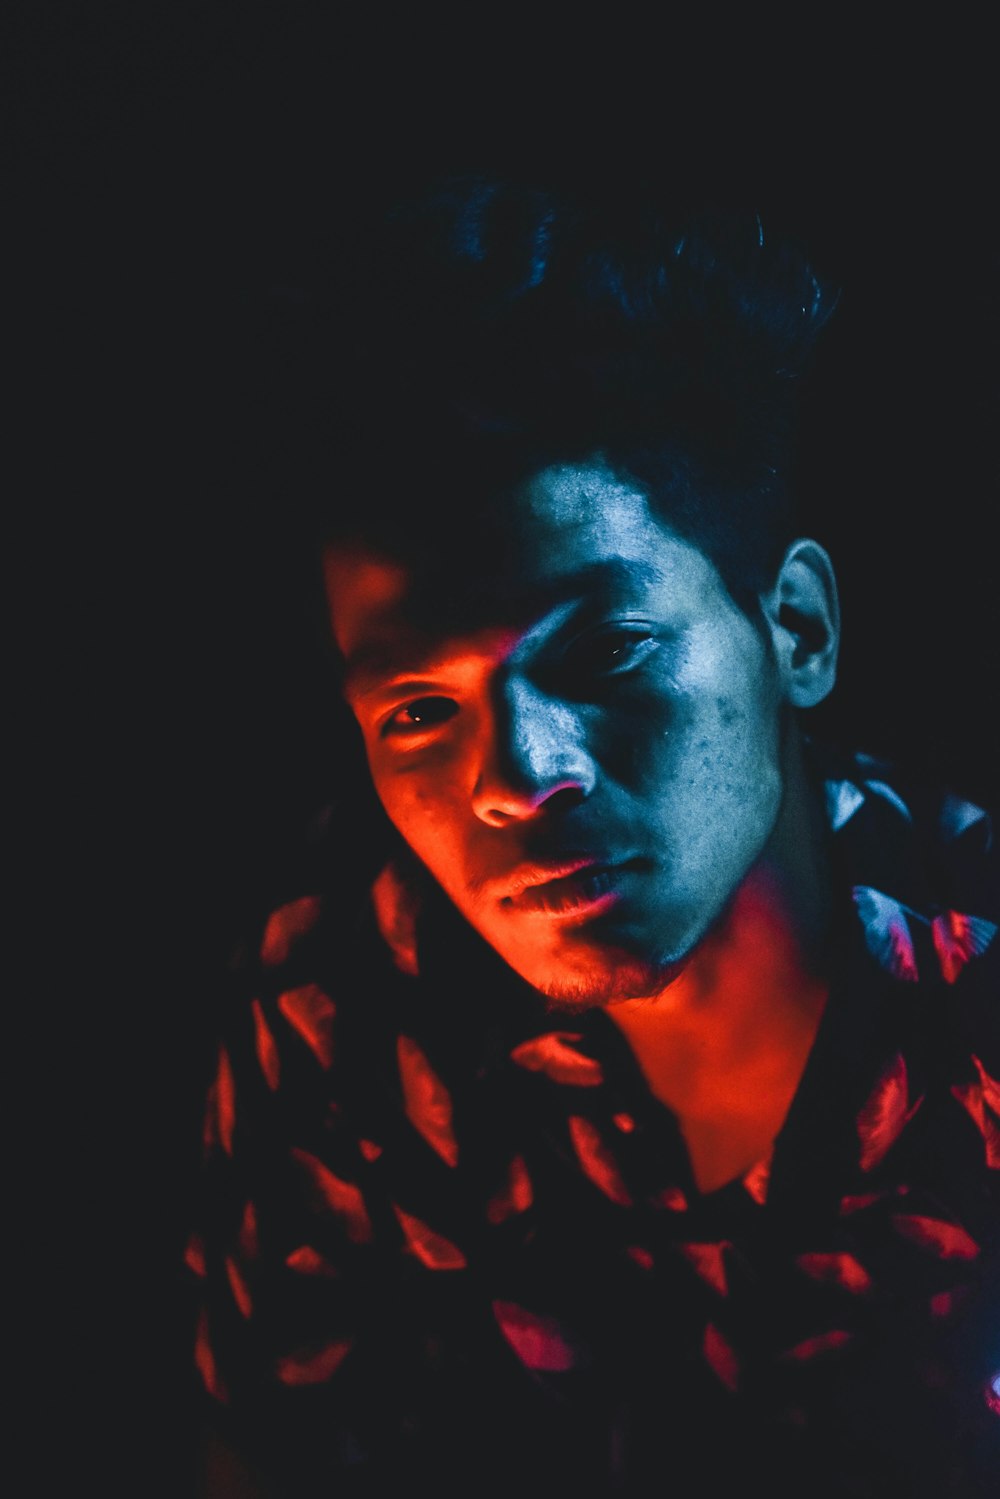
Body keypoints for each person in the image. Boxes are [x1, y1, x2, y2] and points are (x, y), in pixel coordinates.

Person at [185, 171, 999, 1497]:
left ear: (792, 629)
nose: (520, 777)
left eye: (610, 651)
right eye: (414, 711)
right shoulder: (326, 1012)